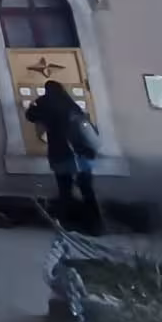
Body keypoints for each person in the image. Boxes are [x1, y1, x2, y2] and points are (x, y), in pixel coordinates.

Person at [26, 79, 104, 234]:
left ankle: (68, 224)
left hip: (60, 154)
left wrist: (32, 105)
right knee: (87, 191)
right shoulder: (70, 104)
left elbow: (31, 116)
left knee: (65, 191)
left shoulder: (45, 104)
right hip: (81, 154)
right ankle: (96, 226)